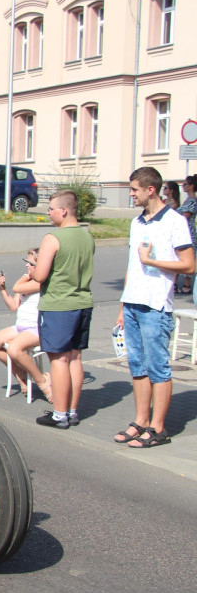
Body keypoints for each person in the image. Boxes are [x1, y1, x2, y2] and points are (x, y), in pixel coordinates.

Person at [113, 166, 195, 448]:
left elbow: (189, 264)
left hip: (156, 304)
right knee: (137, 365)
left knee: (157, 366)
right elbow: (131, 266)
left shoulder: (175, 221)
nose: (131, 194)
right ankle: (140, 420)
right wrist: (123, 304)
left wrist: (153, 262)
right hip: (134, 301)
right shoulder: (138, 222)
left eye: (134, 189)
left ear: (151, 190)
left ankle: (159, 427)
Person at [30, 190, 95, 428]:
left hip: (58, 305)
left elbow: (40, 275)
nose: (48, 213)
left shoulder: (53, 238)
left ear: (64, 211)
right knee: (76, 358)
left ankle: (59, 414)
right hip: (83, 302)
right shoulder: (88, 237)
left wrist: (34, 268)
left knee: (58, 360)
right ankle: (73, 411)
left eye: (51, 209)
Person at [0, 248, 51, 398]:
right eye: (26, 263)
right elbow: (14, 306)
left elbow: (17, 287)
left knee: (14, 349)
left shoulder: (42, 282)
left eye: (30, 263)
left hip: (37, 328)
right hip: (21, 326)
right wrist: (2, 288)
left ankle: (42, 380)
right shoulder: (27, 283)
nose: (27, 266)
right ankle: (19, 371)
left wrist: (23, 278)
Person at [174, 175, 196, 294]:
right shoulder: (187, 199)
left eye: (186, 184)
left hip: (189, 232)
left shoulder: (193, 200)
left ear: (192, 186)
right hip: (183, 230)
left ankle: (187, 284)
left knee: (187, 255)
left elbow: (185, 216)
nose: (183, 186)